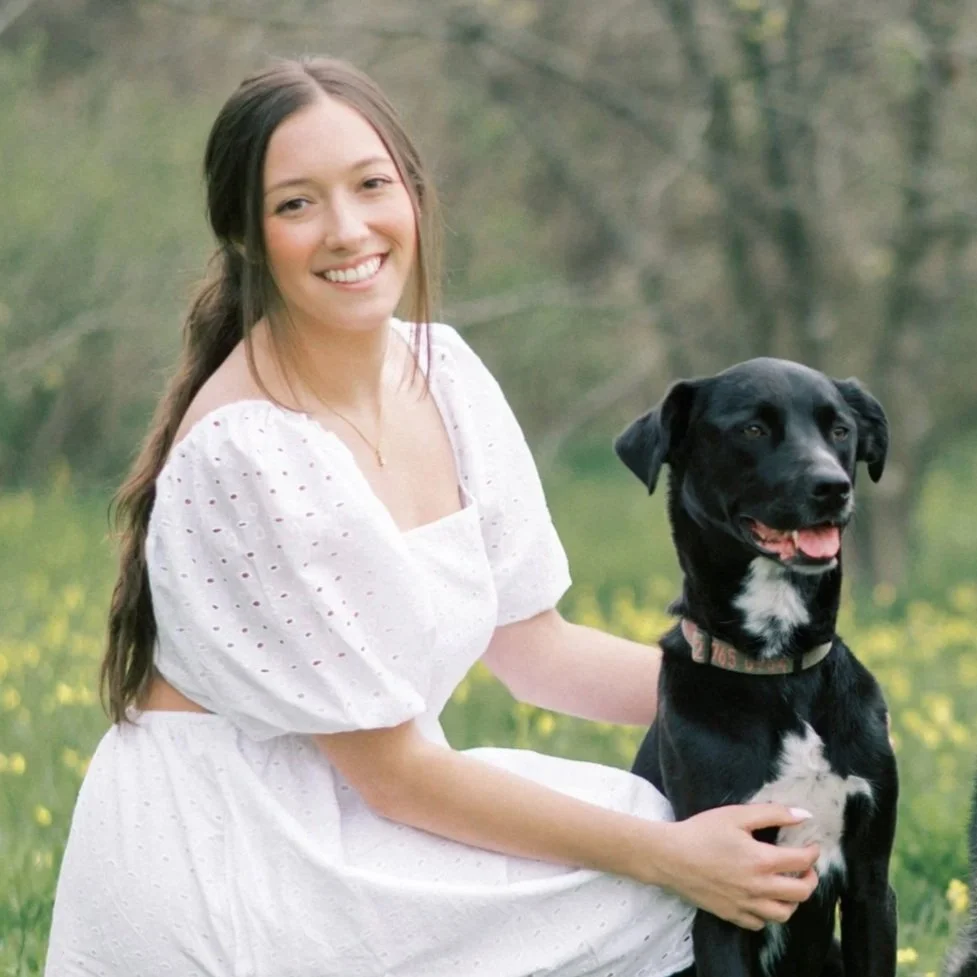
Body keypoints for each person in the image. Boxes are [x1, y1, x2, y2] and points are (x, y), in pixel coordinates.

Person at [44, 56, 820, 977]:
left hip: (367, 815)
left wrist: (795, 702)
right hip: (246, 860)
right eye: (296, 204)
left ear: (411, 193)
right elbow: (395, 774)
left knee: (685, 834)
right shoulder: (246, 454)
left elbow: (535, 649)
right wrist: (673, 859)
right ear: (244, 234)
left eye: (371, 186)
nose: (347, 229)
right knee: (663, 876)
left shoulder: (440, 372)